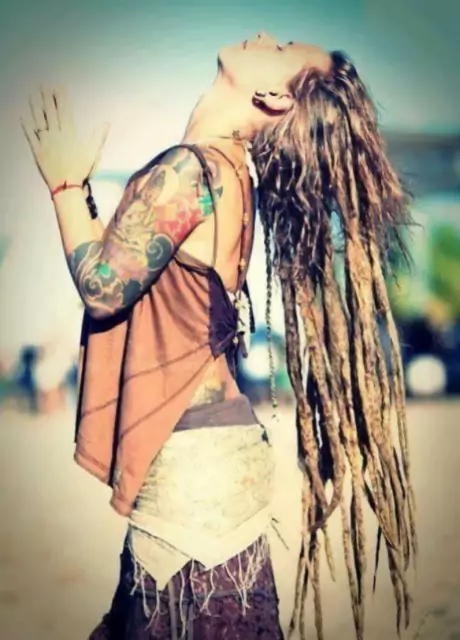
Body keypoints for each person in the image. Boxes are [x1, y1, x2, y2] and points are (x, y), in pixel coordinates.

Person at [21, 31, 416, 640]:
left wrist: (65, 189)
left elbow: (103, 287)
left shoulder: (192, 168)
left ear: (274, 97)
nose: (263, 36)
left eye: (280, 48)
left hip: (193, 476)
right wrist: (86, 197)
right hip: (210, 458)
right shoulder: (228, 173)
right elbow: (131, 271)